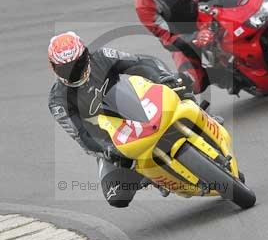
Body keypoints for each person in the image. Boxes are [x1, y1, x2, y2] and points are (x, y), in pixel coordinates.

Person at [47, 31, 191, 208]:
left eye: (78, 64)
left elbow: (140, 63)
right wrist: (108, 150)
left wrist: (161, 78)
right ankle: (153, 175)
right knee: (117, 196)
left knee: (178, 87)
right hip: (112, 139)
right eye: (66, 69)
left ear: (86, 54)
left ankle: (199, 116)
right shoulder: (58, 101)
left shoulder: (102, 57)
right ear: (53, 67)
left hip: (137, 106)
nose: (74, 72)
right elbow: (82, 136)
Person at [133, 0, 266, 94]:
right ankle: (218, 77)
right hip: (182, 39)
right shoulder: (144, 3)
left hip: (202, 15)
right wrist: (195, 37)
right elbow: (166, 36)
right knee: (191, 82)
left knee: (241, 14)